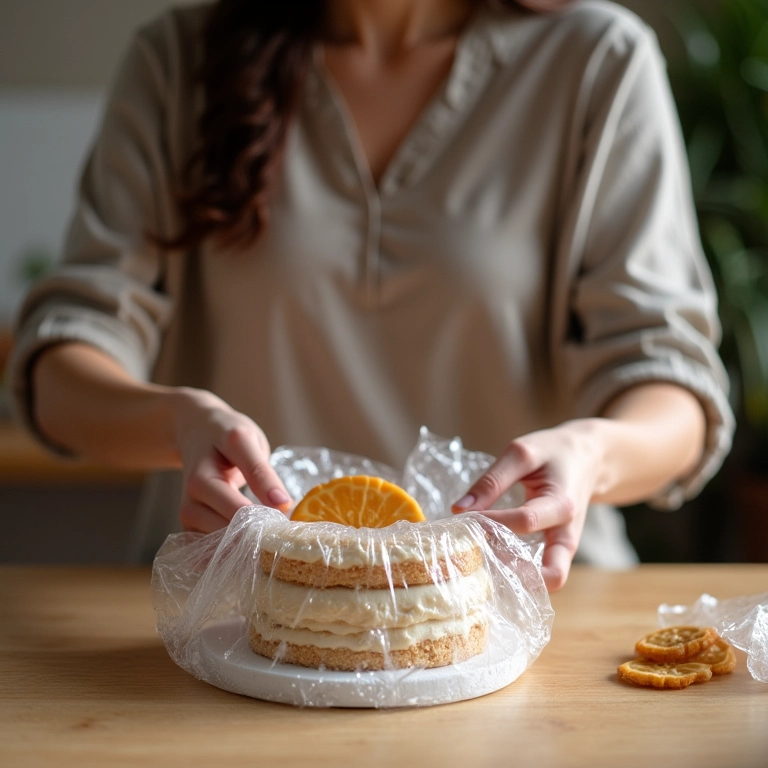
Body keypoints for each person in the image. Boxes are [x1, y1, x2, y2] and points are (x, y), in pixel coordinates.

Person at [8, 0, 733, 591]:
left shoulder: (595, 61)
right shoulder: (178, 62)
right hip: (234, 618)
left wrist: (593, 451)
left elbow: (673, 390)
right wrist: (177, 421)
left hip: (525, 611)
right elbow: (61, 371)